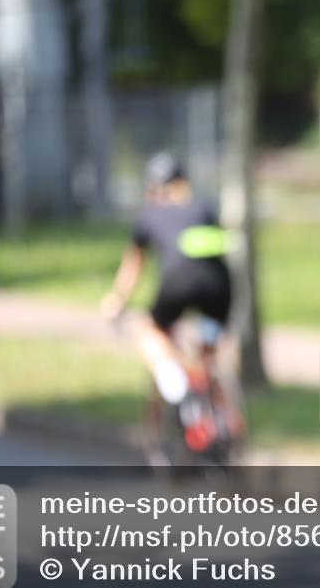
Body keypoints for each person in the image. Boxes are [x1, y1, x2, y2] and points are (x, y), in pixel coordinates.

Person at [101, 152, 244, 440]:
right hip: (220, 289)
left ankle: (173, 381)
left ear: (152, 188)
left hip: (177, 285)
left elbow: (134, 266)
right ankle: (222, 418)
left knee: (150, 332)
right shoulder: (205, 206)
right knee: (208, 354)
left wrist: (116, 301)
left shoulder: (150, 214)